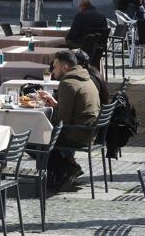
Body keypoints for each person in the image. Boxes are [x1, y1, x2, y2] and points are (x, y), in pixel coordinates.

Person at [38, 51, 101, 191]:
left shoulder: (67, 83)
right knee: (43, 137)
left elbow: (62, 119)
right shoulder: (85, 77)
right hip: (90, 131)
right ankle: (63, 171)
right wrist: (55, 104)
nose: (52, 72)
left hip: (78, 133)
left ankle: (68, 169)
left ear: (65, 67)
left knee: (38, 139)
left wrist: (47, 118)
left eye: (55, 67)